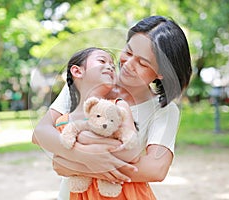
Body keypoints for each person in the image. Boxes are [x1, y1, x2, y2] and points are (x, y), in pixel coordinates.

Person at [33, 15, 192, 200]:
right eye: (129, 52)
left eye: (142, 63)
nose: (128, 65)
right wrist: (85, 156)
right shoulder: (88, 82)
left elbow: (156, 169)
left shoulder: (163, 110)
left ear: (161, 73)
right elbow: (41, 133)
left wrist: (79, 163)